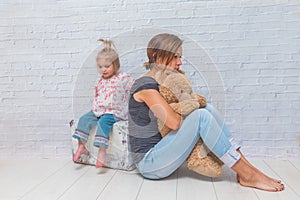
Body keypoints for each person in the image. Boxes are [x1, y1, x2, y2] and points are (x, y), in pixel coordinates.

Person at [128, 33, 284, 192]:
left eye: (180, 57)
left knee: (207, 108)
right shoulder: (146, 85)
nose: (180, 62)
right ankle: (247, 173)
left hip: (164, 153)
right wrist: (192, 114)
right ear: (157, 56)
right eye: (175, 57)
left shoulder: (160, 82)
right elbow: (174, 123)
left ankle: (247, 169)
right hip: (149, 163)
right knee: (201, 116)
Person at [73, 39, 134, 168]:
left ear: (115, 65)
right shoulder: (99, 81)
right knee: (84, 119)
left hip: (114, 111)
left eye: (107, 66)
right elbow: (96, 96)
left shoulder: (122, 78)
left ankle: (102, 150)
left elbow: (134, 87)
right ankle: (81, 145)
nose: (103, 70)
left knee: (103, 122)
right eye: (100, 67)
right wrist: (95, 108)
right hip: (99, 110)